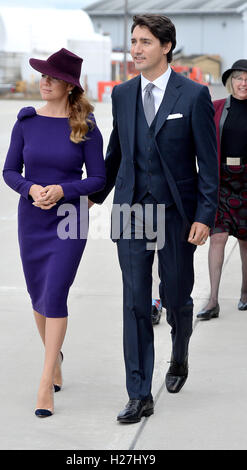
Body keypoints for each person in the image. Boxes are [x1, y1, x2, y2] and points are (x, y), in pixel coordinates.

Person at [89, 14, 218, 424]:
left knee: (178, 296)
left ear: (166, 46)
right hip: (131, 208)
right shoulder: (123, 95)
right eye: (133, 41)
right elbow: (117, 151)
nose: (136, 49)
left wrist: (205, 215)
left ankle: (178, 356)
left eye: (145, 41)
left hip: (177, 212)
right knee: (135, 302)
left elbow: (208, 166)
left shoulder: (194, 95)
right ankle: (139, 392)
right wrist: (93, 195)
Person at [3, 48, 106, 417]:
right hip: (31, 218)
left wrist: (64, 190)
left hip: (69, 219)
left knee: (55, 292)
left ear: (68, 85)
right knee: (37, 294)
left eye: (51, 78)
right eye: (42, 77)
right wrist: (30, 189)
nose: (43, 82)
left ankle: (45, 383)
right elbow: (10, 171)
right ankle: (55, 359)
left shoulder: (87, 127)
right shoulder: (26, 122)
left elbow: (98, 178)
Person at [197, 60, 247, 320]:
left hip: (246, 182)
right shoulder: (217, 108)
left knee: (245, 242)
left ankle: (245, 293)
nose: (243, 83)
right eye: (239, 78)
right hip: (222, 179)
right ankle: (213, 299)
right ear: (231, 81)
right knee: (217, 237)